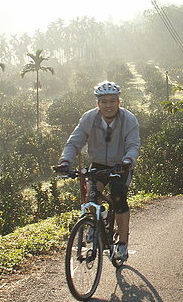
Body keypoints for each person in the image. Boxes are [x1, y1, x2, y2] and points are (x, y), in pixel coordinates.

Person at [56, 80, 140, 261]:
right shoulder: (89, 118)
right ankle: (93, 225)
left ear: (119, 102)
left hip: (121, 165)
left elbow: (133, 145)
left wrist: (127, 160)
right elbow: (74, 141)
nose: (108, 105)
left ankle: (123, 244)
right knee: (92, 195)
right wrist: (65, 161)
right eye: (104, 101)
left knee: (118, 197)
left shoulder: (128, 119)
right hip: (99, 164)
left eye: (112, 101)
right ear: (98, 104)